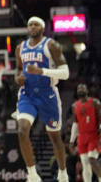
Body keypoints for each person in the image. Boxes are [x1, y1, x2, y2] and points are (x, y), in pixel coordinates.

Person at [14, 16, 70, 182]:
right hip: (27, 94)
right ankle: (32, 174)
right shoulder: (20, 48)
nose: (32, 26)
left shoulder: (51, 45)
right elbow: (18, 71)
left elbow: (66, 73)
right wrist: (18, 79)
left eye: (36, 24)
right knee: (22, 130)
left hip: (48, 94)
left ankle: (62, 172)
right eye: (30, 24)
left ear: (42, 27)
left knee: (55, 137)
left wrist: (42, 71)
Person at [70, 83, 101, 182]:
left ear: (87, 91)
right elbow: (75, 124)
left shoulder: (95, 103)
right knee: (85, 164)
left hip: (94, 136)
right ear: (77, 92)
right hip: (82, 137)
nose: (81, 89)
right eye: (79, 88)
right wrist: (71, 141)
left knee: (92, 159)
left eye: (83, 88)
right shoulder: (74, 106)